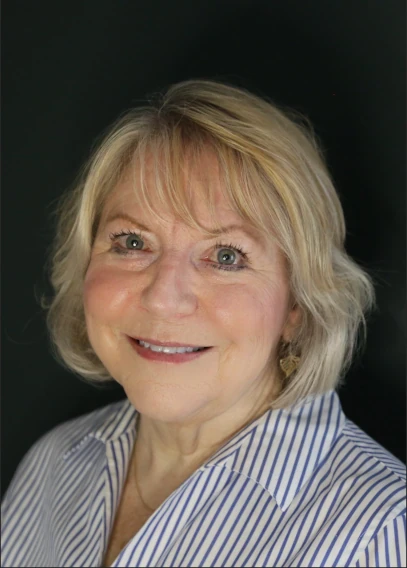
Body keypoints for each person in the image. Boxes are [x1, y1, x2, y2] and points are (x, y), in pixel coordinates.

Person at [1, 80, 405, 568]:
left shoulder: (379, 532)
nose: (164, 298)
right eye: (131, 242)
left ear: (298, 304)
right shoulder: (56, 462)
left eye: (227, 256)